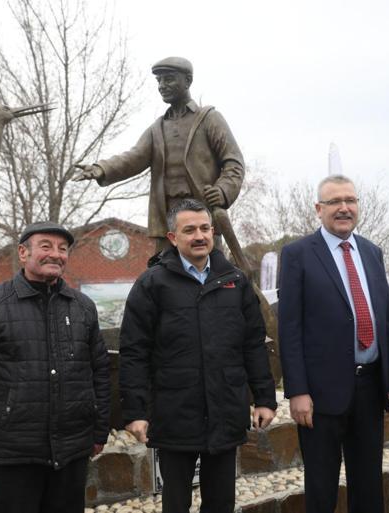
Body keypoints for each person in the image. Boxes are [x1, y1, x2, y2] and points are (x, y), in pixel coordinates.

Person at [119, 198, 276, 513]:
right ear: (173, 238)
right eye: (189, 230)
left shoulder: (235, 281)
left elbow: (253, 344)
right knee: (176, 504)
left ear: (213, 232)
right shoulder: (152, 283)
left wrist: (264, 398)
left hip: (226, 408)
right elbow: (134, 350)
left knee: (221, 503)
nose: (199, 236)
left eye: (205, 228)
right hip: (175, 412)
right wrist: (136, 411)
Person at [0, 221, 110, 513]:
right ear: (23, 253)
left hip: (71, 452)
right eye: (46, 246)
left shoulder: (83, 307)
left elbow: (99, 371)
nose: (56, 254)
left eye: (62, 249)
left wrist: (99, 432)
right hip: (12, 454)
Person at [278, 174, 389, 513]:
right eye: (335, 202)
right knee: (321, 487)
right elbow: (288, 328)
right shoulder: (297, 255)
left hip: (370, 387)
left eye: (350, 200)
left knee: (368, 484)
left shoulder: (372, 252)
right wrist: (297, 391)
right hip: (320, 395)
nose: (344, 208)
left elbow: (386, 322)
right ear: (319, 209)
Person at [74, 56, 244, 249]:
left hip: (202, 217)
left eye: (169, 79)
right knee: (164, 274)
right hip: (167, 217)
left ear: (188, 81)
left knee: (211, 274)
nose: (162, 85)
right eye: (159, 81)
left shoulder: (209, 119)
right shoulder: (158, 128)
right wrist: (101, 169)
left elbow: (234, 162)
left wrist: (222, 190)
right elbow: (134, 157)